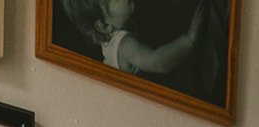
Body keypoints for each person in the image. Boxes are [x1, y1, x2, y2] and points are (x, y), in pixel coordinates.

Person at [59, 0, 205, 79]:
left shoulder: (116, 24)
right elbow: (157, 62)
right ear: (104, 26)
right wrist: (189, 39)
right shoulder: (125, 45)